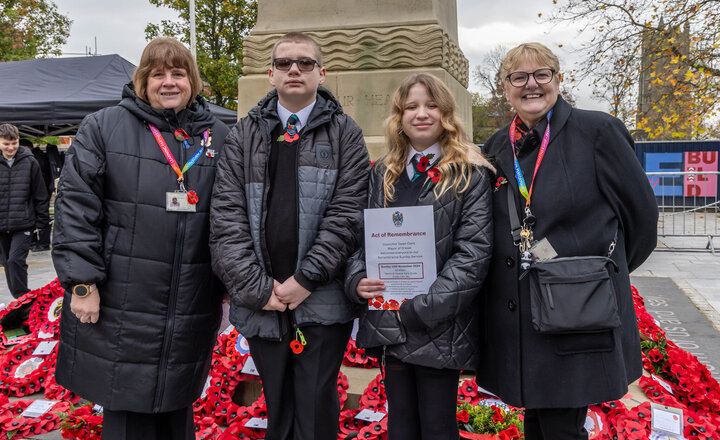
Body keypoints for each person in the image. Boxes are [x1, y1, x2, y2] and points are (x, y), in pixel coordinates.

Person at [476, 42, 658, 440]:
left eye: (542, 74)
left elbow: (642, 220)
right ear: (504, 87)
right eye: (519, 77)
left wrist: (598, 273)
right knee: (539, 418)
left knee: (562, 424)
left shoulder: (597, 131)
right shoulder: (494, 147)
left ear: (558, 80)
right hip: (521, 311)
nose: (531, 85)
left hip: (574, 308)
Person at [51, 37, 229, 440]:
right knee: (128, 410)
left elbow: (231, 216)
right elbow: (76, 210)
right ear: (142, 80)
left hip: (189, 302)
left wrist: (229, 283)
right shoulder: (105, 126)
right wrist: (82, 284)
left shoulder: (217, 136)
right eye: (158, 74)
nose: (169, 82)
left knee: (177, 409)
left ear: (193, 81)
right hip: (121, 302)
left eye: (178, 73)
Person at [209, 32, 370, 440]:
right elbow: (226, 219)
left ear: (322, 72)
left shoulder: (345, 133)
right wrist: (256, 288)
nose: (294, 69)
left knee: (317, 407)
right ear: (270, 74)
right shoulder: (243, 134)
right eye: (284, 63)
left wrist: (306, 280)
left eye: (304, 63)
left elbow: (347, 216)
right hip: (262, 301)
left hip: (321, 298)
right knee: (277, 407)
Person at [344, 73, 494, 440]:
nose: (421, 114)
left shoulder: (469, 173)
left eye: (431, 105)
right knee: (401, 427)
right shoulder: (381, 172)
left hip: (439, 323)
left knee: (438, 427)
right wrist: (356, 278)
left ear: (446, 114)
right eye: (411, 106)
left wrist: (426, 307)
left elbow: (473, 253)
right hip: (389, 320)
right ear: (399, 116)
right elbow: (360, 238)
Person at [0, 124, 49, 298]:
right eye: (6, 144)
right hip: (2, 224)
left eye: (14, 143)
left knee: (15, 260)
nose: (11, 147)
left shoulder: (30, 161)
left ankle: (24, 298)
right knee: (7, 263)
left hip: (24, 223)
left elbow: (40, 193)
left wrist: (41, 221)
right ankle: (18, 300)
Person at [20, 139, 54, 251]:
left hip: (38, 192)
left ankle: (42, 242)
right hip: (38, 192)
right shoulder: (36, 157)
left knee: (42, 216)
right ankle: (36, 242)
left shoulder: (34, 159)